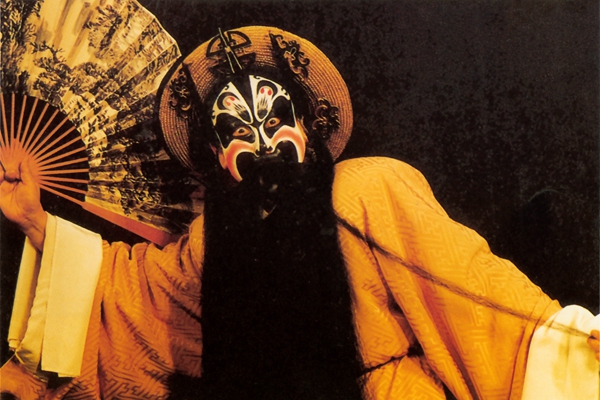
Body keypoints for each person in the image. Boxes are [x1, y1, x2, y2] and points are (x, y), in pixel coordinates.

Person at [0, 26, 598, 400]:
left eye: (274, 118)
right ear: (215, 155)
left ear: (308, 129)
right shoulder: (211, 242)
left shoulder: (365, 190)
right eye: (237, 130)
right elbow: (129, 298)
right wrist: (34, 221)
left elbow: (472, 289)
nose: (262, 144)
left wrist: (571, 345)